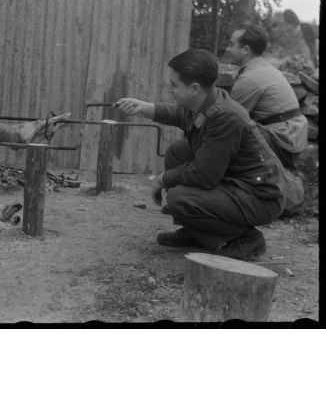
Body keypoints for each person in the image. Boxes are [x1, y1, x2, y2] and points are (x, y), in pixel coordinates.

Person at [116, 49, 287, 260]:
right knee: (178, 153)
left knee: (179, 199)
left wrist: (163, 179)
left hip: (259, 195)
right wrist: (143, 108)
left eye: (174, 85)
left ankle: (246, 239)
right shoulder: (206, 100)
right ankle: (197, 232)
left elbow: (204, 176)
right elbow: (179, 114)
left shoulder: (224, 117)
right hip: (239, 183)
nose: (170, 89)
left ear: (195, 88)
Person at [226, 24, 308, 168]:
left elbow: (229, 121)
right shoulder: (264, 68)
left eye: (231, 45)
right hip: (292, 140)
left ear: (245, 49)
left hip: (284, 145)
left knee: (227, 135)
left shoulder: (250, 78)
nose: (228, 49)